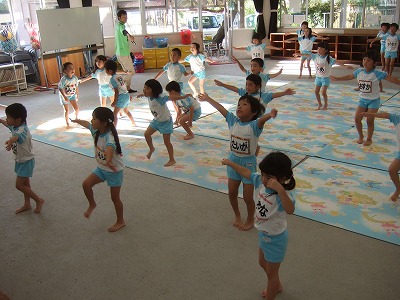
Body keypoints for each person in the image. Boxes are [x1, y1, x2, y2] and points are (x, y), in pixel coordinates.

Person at [198, 92, 278, 231]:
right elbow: (221, 108)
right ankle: (237, 214)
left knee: (248, 197)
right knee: (232, 192)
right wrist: (208, 98)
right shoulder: (232, 121)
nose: (240, 107)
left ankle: (249, 219)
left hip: (248, 163)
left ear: (253, 112)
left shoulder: (254, 126)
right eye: (239, 104)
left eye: (244, 105)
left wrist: (269, 115)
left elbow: (261, 120)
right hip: (233, 160)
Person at [221, 151, 295, 300]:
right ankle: (276, 284)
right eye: (263, 174)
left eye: (269, 177)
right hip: (263, 233)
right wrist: (230, 163)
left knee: (272, 275)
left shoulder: (282, 196)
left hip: (276, 239)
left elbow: (290, 210)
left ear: (283, 179)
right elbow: (246, 172)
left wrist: (280, 190)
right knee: (262, 262)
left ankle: (274, 286)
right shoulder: (260, 183)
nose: (264, 179)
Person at [71, 107, 126, 232]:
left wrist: (108, 160)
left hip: (114, 172)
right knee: (86, 184)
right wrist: (77, 120)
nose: (92, 120)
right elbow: (87, 124)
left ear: (104, 123)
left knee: (115, 198)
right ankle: (92, 204)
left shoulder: (110, 137)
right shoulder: (96, 131)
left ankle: (120, 221)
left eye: (94, 119)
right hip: (101, 169)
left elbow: (110, 149)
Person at [331, 49, 400, 146]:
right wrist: (338, 78)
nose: (365, 62)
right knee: (357, 118)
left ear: (374, 63)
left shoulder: (377, 73)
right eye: (364, 59)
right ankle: (361, 136)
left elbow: (391, 79)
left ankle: (369, 138)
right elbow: (350, 76)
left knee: (369, 120)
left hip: (374, 101)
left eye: (368, 60)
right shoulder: (359, 71)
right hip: (362, 100)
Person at [0, 103, 45, 214]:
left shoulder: (22, 130)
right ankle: (27, 204)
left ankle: (39, 200)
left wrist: (10, 142)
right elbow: (8, 125)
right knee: (25, 184)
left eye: (9, 117)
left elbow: (16, 137)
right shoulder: (16, 126)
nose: (7, 119)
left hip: (26, 161)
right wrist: (1, 121)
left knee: (19, 185)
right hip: (20, 160)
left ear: (18, 119)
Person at [294, 42, 350, 110]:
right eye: (318, 48)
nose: (318, 50)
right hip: (318, 78)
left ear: (325, 50)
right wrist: (298, 54)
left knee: (323, 92)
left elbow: (337, 62)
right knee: (316, 92)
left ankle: (325, 104)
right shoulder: (315, 56)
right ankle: (319, 103)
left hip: (325, 78)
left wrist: (345, 66)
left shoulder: (328, 58)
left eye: (320, 48)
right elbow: (306, 55)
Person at [359, 111, 400, 201]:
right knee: (392, 170)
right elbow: (386, 115)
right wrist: (372, 114)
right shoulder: (398, 119)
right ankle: (398, 189)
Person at [137, 79, 177, 167]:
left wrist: (183, 97)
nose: (144, 89)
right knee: (146, 134)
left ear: (154, 91)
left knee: (167, 142)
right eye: (144, 87)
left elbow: (172, 98)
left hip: (166, 122)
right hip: (156, 121)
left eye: (147, 88)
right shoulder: (149, 96)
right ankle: (152, 148)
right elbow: (146, 95)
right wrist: (142, 94)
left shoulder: (161, 99)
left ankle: (172, 159)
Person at [215, 74, 295, 107]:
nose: (247, 87)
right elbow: (234, 88)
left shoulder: (263, 96)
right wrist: (222, 84)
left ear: (258, 87)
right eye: (246, 84)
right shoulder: (245, 93)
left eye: (250, 85)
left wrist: (284, 93)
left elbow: (274, 95)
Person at [104, 59, 136, 129]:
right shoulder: (120, 76)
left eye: (105, 70)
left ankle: (114, 128)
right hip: (126, 95)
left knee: (114, 114)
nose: (105, 71)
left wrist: (114, 102)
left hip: (121, 97)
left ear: (110, 71)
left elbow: (117, 91)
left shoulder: (112, 79)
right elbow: (124, 86)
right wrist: (128, 95)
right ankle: (133, 122)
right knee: (126, 111)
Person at [115, 9, 137, 93]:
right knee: (131, 72)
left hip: (121, 53)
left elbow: (124, 33)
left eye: (126, 17)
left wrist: (129, 36)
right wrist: (129, 35)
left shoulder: (118, 25)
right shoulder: (121, 26)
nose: (125, 18)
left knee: (127, 71)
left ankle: (127, 88)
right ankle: (120, 85)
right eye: (123, 17)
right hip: (123, 53)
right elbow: (124, 31)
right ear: (119, 18)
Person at [58, 62, 79, 128]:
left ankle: (76, 118)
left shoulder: (75, 78)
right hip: (64, 96)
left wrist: (77, 94)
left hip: (72, 95)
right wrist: (64, 96)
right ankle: (67, 123)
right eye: (70, 68)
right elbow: (60, 88)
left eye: (73, 68)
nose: (72, 69)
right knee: (67, 110)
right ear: (65, 71)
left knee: (77, 109)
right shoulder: (63, 79)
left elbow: (76, 86)